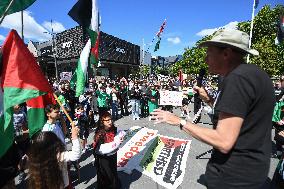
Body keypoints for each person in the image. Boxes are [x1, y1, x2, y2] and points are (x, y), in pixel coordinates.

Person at [151, 29, 275, 189]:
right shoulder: (254, 74)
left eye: (209, 53)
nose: (205, 59)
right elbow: (240, 117)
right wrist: (208, 99)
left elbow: (223, 141)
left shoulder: (237, 78)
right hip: (252, 172)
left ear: (226, 53)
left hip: (234, 177)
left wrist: (179, 121)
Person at [93, 112, 126, 189]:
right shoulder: (100, 134)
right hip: (104, 159)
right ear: (102, 122)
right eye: (107, 120)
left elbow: (122, 132)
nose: (110, 122)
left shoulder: (113, 128)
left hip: (113, 156)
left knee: (113, 171)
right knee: (107, 175)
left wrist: (120, 137)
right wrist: (115, 143)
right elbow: (101, 149)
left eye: (110, 119)